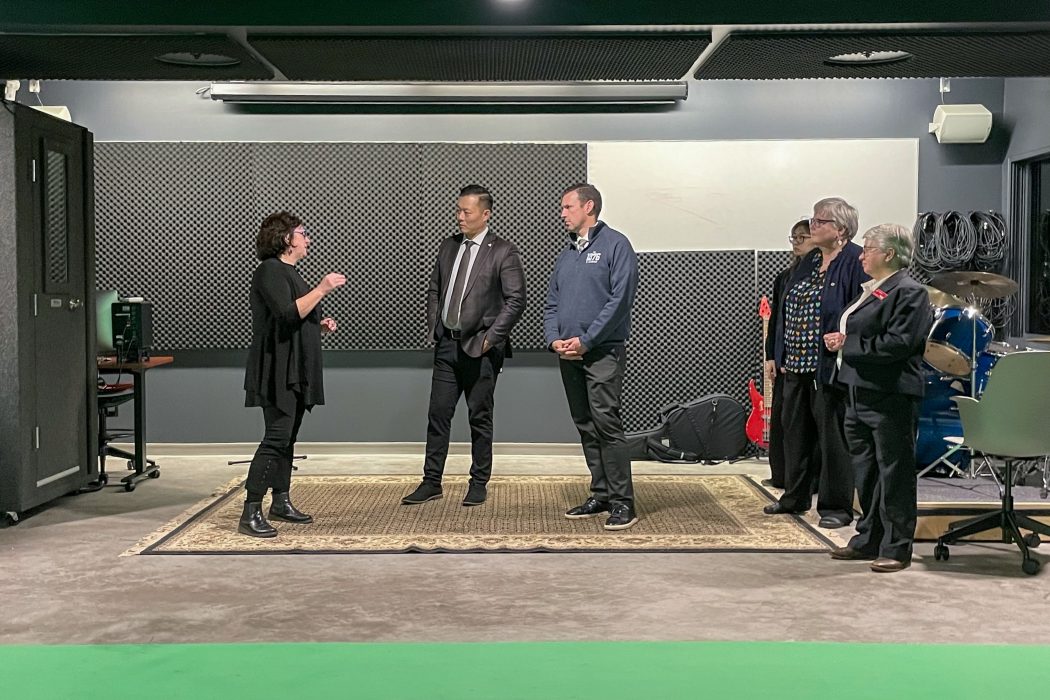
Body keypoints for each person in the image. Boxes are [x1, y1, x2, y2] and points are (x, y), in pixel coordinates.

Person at [401, 185, 527, 507]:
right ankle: (431, 482)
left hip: (480, 348)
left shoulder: (503, 251)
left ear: (485, 214)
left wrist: (490, 339)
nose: (459, 216)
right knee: (437, 415)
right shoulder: (448, 246)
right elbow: (434, 289)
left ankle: (479, 481)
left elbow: (516, 300)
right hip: (447, 346)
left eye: (466, 211)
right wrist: (436, 328)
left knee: (479, 417)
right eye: (458, 210)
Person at [824, 224, 933, 572]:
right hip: (857, 391)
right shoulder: (872, 290)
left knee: (894, 473)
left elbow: (900, 344)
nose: (862, 254)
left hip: (890, 395)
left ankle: (897, 546)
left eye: (869, 248)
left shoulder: (910, 292)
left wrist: (848, 345)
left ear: (889, 254)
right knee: (866, 472)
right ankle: (868, 537)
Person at [764, 197, 869, 528]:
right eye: (813, 220)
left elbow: (862, 309)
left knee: (832, 438)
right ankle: (794, 496)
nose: (812, 226)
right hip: (794, 364)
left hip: (828, 367)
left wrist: (844, 337)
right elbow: (784, 308)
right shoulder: (809, 260)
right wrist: (777, 354)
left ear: (839, 229)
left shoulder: (854, 261)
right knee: (795, 433)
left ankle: (836, 506)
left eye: (819, 221)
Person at [241, 212, 346, 538]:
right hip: (277, 370)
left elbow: (297, 313)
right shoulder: (269, 271)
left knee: (287, 439)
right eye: (302, 233)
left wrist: (319, 322)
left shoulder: (289, 273)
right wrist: (323, 289)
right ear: (286, 238)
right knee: (276, 438)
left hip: (294, 369)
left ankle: (281, 501)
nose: (307, 238)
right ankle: (250, 511)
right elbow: (286, 314)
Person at [544, 183, 640, 530]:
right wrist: (554, 339)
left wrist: (586, 340)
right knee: (585, 424)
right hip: (568, 354)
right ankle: (600, 493)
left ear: (589, 206)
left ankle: (622, 502)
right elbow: (552, 302)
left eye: (568, 207)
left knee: (606, 424)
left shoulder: (616, 245)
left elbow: (619, 302)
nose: (562, 213)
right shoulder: (568, 253)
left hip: (602, 352)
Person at [763, 219, 819, 489]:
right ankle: (783, 475)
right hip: (786, 359)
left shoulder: (821, 276)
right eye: (794, 238)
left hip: (810, 361)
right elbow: (777, 319)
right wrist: (771, 355)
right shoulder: (784, 277)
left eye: (803, 237)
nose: (797, 242)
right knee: (783, 422)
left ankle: (809, 480)